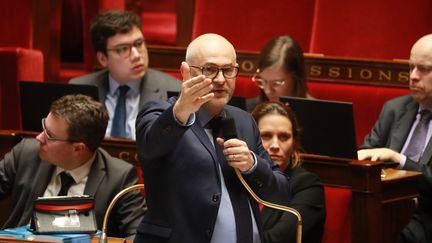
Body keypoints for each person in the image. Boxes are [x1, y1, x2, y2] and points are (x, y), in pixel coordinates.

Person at [134, 33, 291, 243]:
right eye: (209, 69)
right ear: (186, 72)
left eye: (227, 70)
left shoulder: (244, 120)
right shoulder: (160, 112)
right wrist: (181, 110)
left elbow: (281, 192)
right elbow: (150, 147)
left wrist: (252, 164)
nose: (220, 79)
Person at [0, 94, 146, 239]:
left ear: (78, 149)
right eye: (44, 126)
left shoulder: (119, 177)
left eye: (49, 135)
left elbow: (137, 234)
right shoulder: (26, 154)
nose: (39, 137)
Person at [357, 33, 432, 243]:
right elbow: (366, 153)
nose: (414, 76)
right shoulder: (395, 109)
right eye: (411, 67)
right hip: (384, 210)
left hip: (425, 218)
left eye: (425, 69)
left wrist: (399, 160)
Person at [70, 10, 181, 140]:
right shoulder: (79, 90)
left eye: (139, 44)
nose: (136, 55)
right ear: (102, 59)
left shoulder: (173, 90)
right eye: (122, 49)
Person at [251, 101, 325, 243]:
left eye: (284, 137)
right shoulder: (239, 178)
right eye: (266, 136)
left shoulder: (307, 186)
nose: (275, 145)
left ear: (294, 143)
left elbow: (277, 240)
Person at [247, 35, 312, 111]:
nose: (267, 91)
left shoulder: (316, 112)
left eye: (276, 83)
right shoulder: (248, 110)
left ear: (296, 78)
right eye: (263, 81)